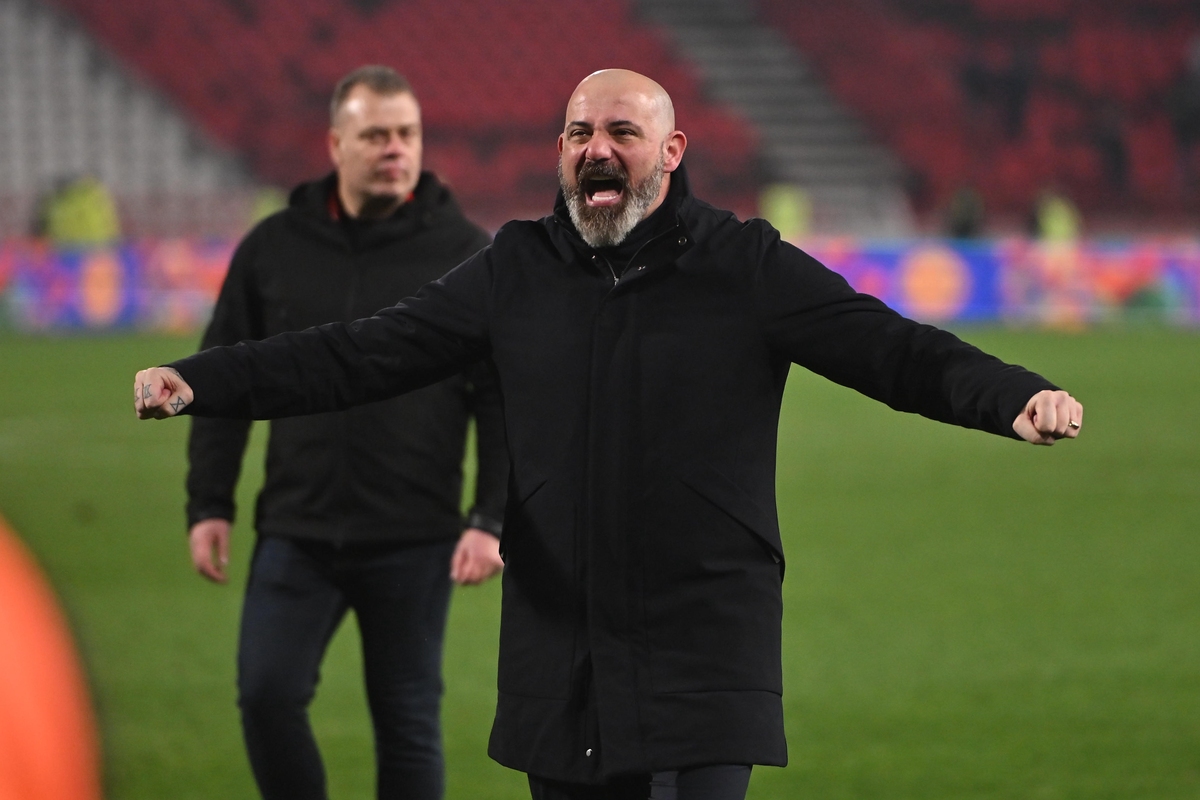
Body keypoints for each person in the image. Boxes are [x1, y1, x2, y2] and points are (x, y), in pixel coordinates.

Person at [135, 69, 1083, 800]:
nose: (598, 149)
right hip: (564, 652)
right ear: (561, 150)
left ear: (672, 152)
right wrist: (203, 381)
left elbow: (892, 350)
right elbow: (359, 355)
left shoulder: (744, 265)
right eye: (581, 132)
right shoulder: (513, 268)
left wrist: (1010, 395)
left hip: (704, 646)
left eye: (623, 132)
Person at [182, 65, 507, 800]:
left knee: (407, 721)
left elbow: (501, 400)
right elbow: (224, 378)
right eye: (376, 135)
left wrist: (490, 518)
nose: (396, 149)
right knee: (266, 695)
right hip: (297, 529)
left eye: (408, 134)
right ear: (336, 143)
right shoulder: (272, 247)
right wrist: (210, 501)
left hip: (416, 534)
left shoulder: (469, 254)